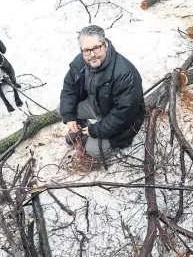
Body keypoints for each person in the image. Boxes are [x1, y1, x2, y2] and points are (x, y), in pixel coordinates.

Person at [58, 25, 145, 160]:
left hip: (124, 122)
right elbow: (69, 89)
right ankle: (82, 129)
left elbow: (124, 114)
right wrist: (69, 116)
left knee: (94, 150)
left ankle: (111, 144)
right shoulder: (80, 62)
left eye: (96, 48)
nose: (92, 54)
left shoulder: (125, 73)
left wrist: (96, 130)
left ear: (105, 45)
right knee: (62, 108)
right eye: (86, 50)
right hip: (97, 105)